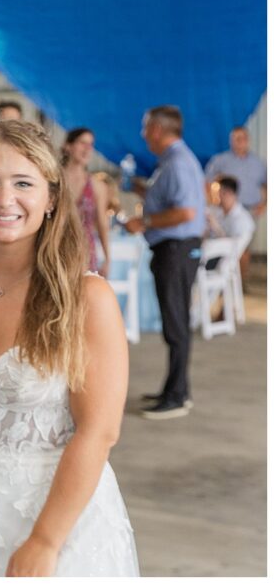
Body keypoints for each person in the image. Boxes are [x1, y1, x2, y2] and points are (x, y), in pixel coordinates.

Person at [0, 119, 138, 576]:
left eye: (23, 183)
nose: (4, 200)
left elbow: (99, 432)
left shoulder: (86, 298)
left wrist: (45, 540)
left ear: (51, 197)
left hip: (54, 513)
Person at [125, 105, 206, 420]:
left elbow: (185, 212)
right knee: (176, 323)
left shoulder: (178, 163)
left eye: (146, 128)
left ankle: (176, 396)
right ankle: (175, 389)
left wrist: (144, 222)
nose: (144, 134)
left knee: (176, 325)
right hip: (174, 249)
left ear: (158, 130)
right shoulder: (173, 162)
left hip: (176, 249)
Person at [204, 126, 266, 284]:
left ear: (248, 140)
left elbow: (266, 185)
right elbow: (207, 182)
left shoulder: (258, 163)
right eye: (236, 138)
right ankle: (225, 281)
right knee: (222, 243)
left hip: (247, 209)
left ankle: (237, 282)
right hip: (223, 210)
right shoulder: (220, 160)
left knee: (240, 249)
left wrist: (264, 205)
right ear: (231, 140)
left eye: (243, 138)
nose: (240, 142)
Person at [61, 128, 110, 275]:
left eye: (91, 144)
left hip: (85, 254)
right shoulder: (53, 180)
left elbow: (102, 223)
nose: (87, 149)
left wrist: (107, 258)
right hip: (54, 250)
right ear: (68, 146)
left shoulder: (97, 186)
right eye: (82, 143)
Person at [206, 176, 255, 260]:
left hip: (219, 259)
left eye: (217, 192)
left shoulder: (243, 219)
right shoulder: (217, 211)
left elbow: (232, 248)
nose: (214, 196)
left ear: (227, 193)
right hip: (208, 251)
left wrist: (216, 227)